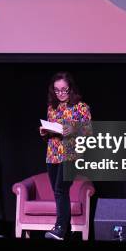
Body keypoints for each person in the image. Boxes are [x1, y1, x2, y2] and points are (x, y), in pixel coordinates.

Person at [40, 72, 91, 240]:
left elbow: (89, 131)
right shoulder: (52, 108)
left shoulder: (80, 107)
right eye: (57, 90)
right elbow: (51, 130)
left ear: (71, 89)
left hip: (71, 154)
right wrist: (44, 132)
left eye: (64, 90)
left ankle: (60, 227)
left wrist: (73, 129)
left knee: (61, 189)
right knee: (58, 192)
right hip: (53, 154)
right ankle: (64, 229)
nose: (60, 94)